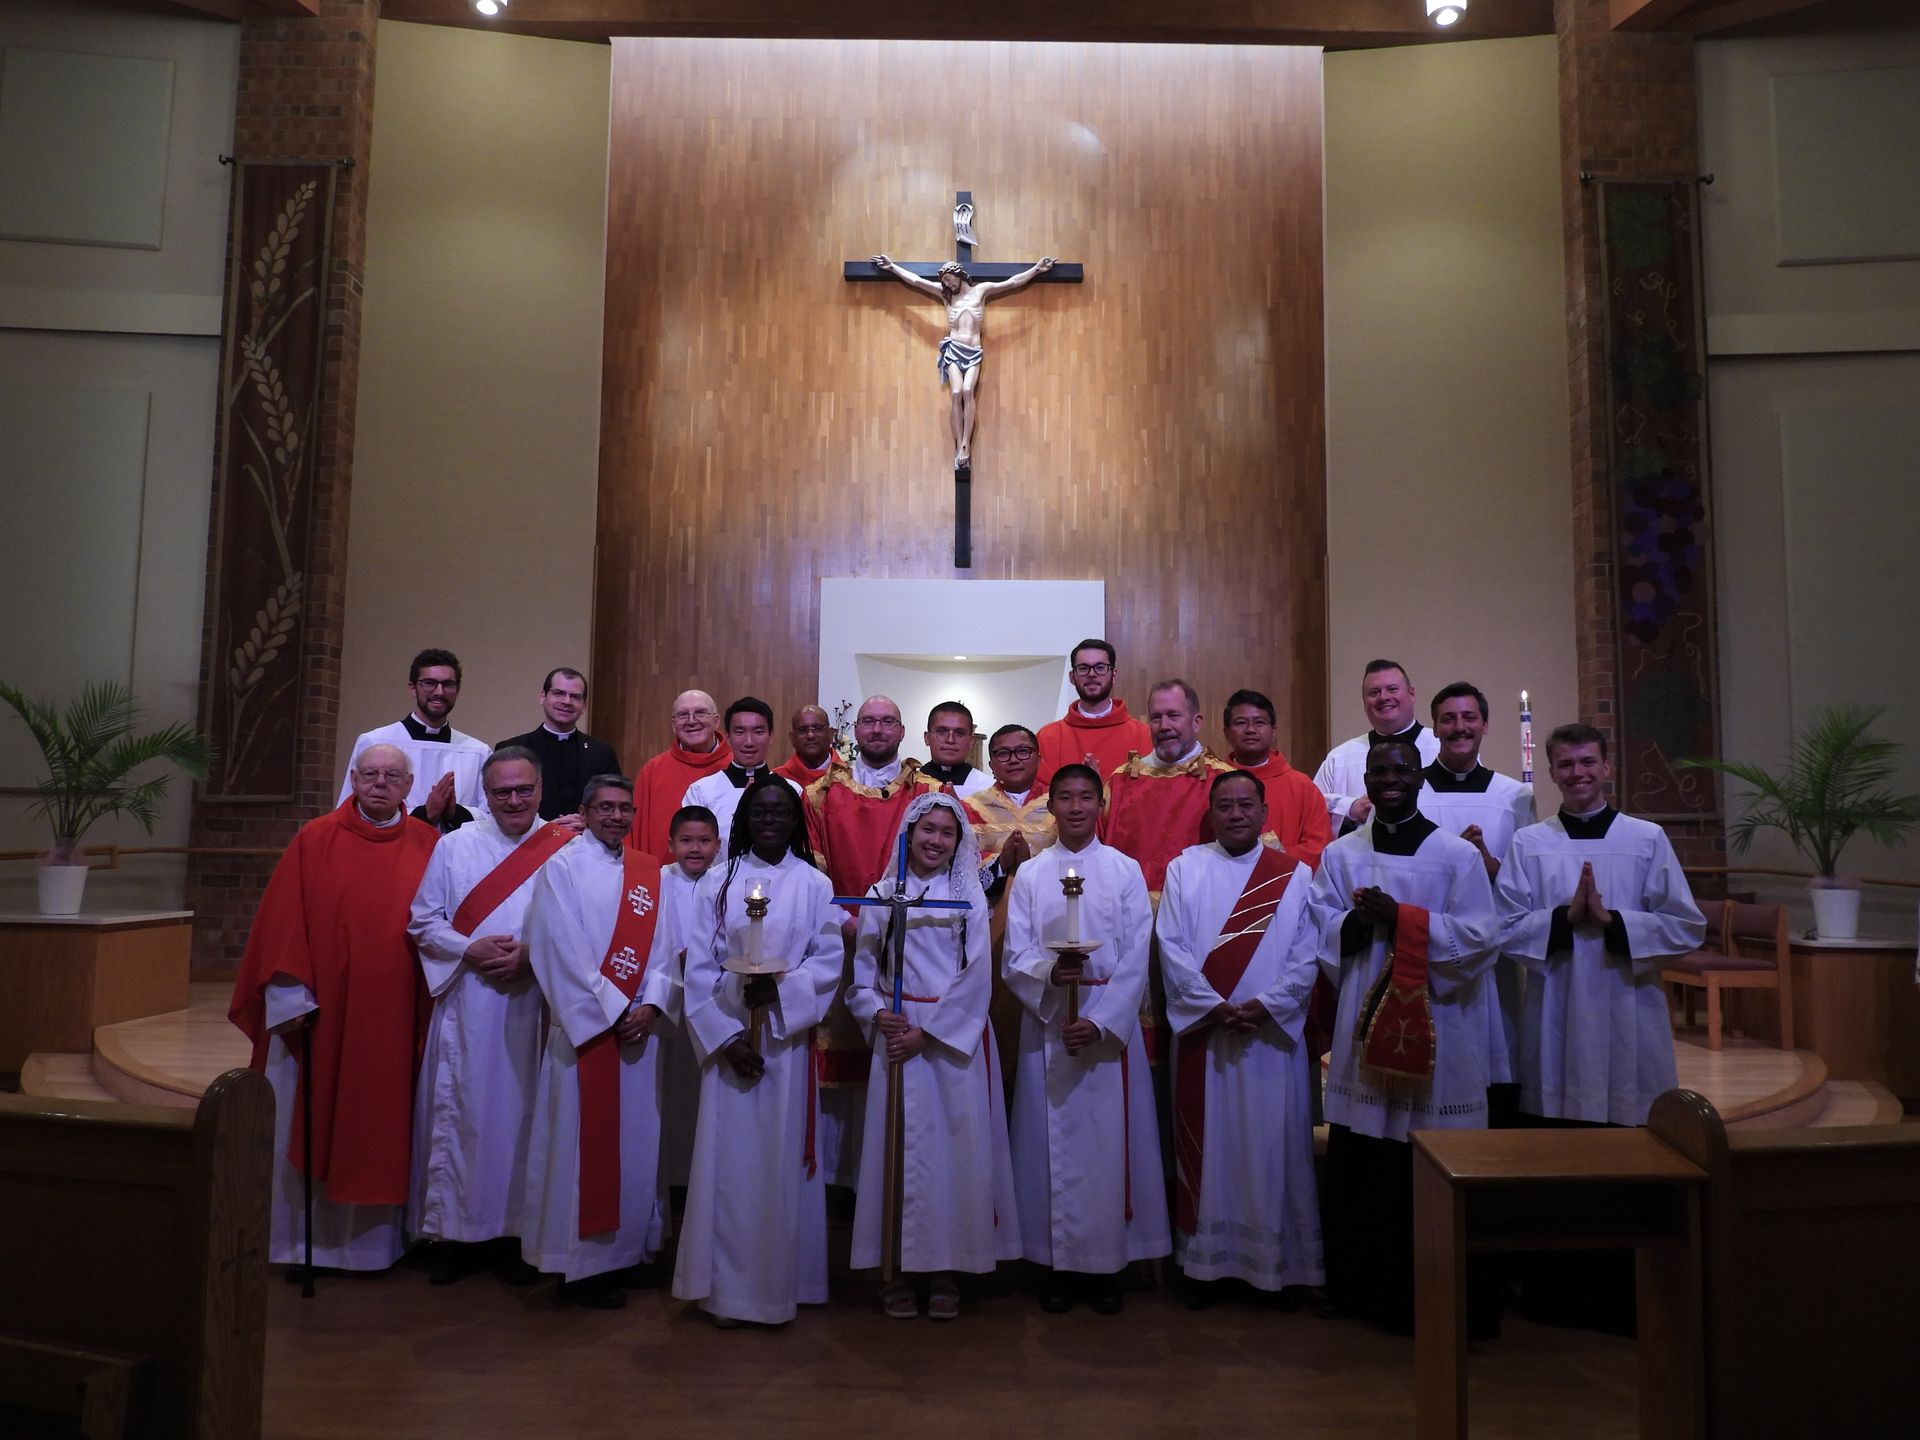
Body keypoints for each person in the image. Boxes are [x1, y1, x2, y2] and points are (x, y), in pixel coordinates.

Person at [1309, 739, 1500, 1334]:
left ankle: (1439, 1295)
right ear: (1366, 780)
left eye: (1401, 770)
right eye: (1379, 771)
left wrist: (1405, 920)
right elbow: (1319, 929)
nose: (1390, 779)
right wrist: (1356, 922)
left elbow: (1480, 940)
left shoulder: (1455, 856)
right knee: (1366, 1159)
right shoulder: (1341, 855)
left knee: (1426, 1158)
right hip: (1365, 1026)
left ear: (1420, 777)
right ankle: (1360, 1291)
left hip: (1439, 1025)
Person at [230, 742, 438, 1274]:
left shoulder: (431, 844)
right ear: (353, 778)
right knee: (313, 1113)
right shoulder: (315, 839)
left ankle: (383, 1245)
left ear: (409, 785)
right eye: (370, 774)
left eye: (391, 776)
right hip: (322, 1013)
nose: (380, 783)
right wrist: (289, 998)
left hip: (398, 1015)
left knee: (386, 1120)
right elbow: (283, 923)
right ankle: (307, 1245)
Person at [672, 775, 845, 1328]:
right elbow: (698, 964)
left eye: (779, 812)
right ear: (743, 819)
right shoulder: (717, 881)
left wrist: (782, 991)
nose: (769, 820)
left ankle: (780, 1287)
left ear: (795, 821)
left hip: (784, 1040)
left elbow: (827, 961)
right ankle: (727, 1292)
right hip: (731, 1037)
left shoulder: (815, 884)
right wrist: (723, 1037)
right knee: (729, 1166)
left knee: (780, 1162)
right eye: (759, 811)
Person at [847, 793, 1020, 1319]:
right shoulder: (884, 893)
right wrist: (877, 1012)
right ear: (909, 833)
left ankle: (948, 1267)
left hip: (948, 1041)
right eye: (928, 830)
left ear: (959, 841)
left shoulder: (968, 897)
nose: (936, 840)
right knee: (897, 1152)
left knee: (952, 1156)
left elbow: (976, 976)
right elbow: (863, 972)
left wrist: (932, 1033)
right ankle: (895, 1268)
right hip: (898, 1034)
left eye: (947, 832)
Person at [406, 746, 574, 1287]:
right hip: (470, 1004)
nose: (514, 801)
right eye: (502, 792)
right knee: (466, 1117)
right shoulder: (454, 846)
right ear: (485, 794)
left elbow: (585, 928)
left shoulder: (568, 848)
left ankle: (519, 1235)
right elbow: (423, 920)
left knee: (531, 1119)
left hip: (540, 1006)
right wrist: (468, 948)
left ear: (541, 789)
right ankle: (455, 1235)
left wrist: (533, 955)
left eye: (524, 790)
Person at [1003, 764, 1168, 1314]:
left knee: (1107, 1146)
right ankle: (1055, 1264)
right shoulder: (1032, 875)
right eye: (1065, 798)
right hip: (1050, 1024)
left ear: (1101, 804)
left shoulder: (1123, 869)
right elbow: (1016, 955)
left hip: (1106, 1029)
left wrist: (1100, 1021)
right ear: (1051, 805)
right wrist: (1051, 977)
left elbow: (1137, 953)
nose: (1075, 807)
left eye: (1086, 797)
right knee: (1048, 1149)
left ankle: (1106, 1266)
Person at [1156, 770, 1322, 1308]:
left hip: (1270, 1040)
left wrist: (1269, 1006)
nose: (1235, 814)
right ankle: (1205, 1266)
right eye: (1224, 805)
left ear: (1264, 812)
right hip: (1207, 1037)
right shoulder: (1185, 868)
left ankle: (1277, 1268)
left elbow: (1307, 952)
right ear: (1212, 814)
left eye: (1245, 804)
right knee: (1210, 1150)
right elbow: (1171, 946)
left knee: (1274, 1148)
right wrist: (1212, 1006)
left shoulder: (1293, 874)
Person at [519, 774, 678, 1308]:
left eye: (624, 808)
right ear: (584, 812)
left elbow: (667, 949)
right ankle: (581, 1266)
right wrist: (614, 1009)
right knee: (580, 1148)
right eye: (605, 807)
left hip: (638, 1037)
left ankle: (627, 1253)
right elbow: (556, 948)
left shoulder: (648, 872)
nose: (615, 816)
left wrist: (652, 1004)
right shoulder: (560, 867)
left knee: (636, 1145)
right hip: (586, 1035)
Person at [1499, 724, 1706, 1127]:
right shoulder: (1528, 843)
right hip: (1557, 1002)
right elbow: (1504, 926)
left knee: (1631, 1130)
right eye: (1566, 764)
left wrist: (1615, 923)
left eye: (1588, 761)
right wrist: (1564, 918)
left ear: (1606, 767)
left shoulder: (1646, 839)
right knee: (1557, 1131)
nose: (1577, 772)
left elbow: (1685, 924)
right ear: (1552, 772)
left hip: (1629, 1001)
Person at [803, 693, 943, 1185]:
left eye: (887, 722)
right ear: (855, 730)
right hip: (841, 938)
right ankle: (841, 1178)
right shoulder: (820, 794)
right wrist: (846, 922)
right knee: (842, 1060)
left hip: (913, 943)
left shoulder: (927, 790)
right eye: (868, 721)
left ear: (902, 731)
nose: (878, 730)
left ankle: (897, 1172)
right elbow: (813, 869)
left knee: (897, 1051)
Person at [1419, 681, 1537, 1125]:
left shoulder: (1514, 796)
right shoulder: (1409, 790)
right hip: (1428, 943)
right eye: (1448, 719)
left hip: (1491, 948)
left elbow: (1527, 880)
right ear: (1434, 728)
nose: (1459, 727)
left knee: (1493, 1045)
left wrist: (1491, 867)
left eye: (1469, 717)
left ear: (1485, 725)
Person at [868, 251, 1055, 468]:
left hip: (974, 352)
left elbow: (1012, 282)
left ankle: (966, 442)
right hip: (953, 350)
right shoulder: (946, 296)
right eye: (944, 282)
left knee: (968, 391)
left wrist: (1037, 269)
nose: (947, 284)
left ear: (958, 274)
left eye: (949, 279)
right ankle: (959, 447)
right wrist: (892, 267)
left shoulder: (980, 291)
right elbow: (917, 281)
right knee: (956, 393)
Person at [1099, 679, 1234, 898]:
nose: (1164, 726)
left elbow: (1253, 858)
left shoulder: (1225, 782)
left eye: (1174, 715)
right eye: (1156, 717)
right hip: (1127, 911)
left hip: (1199, 909)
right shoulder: (1120, 781)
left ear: (1196, 722)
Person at [338, 647, 491, 833]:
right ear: (413, 688)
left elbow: (492, 817)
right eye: (429, 683)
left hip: (457, 850)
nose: (439, 692)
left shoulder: (477, 751)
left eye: (448, 684)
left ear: (457, 690)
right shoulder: (374, 742)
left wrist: (455, 813)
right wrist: (425, 813)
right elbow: (351, 811)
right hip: (392, 847)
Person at [658, 804, 722, 1190]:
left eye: (703, 841)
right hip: (668, 996)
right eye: (686, 841)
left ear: (718, 844)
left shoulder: (727, 881)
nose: (695, 849)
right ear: (670, 844)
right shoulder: (657, 881)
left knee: (705, 1090)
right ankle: (671, 1178)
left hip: (714, 998)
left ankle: (703, 1180)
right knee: (672, 1089)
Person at [1312, 659, 1441, 833]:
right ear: (1364, 703)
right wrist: (1350, 807)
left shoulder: (1442, 749)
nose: (1384, 697)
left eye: (1392, 689)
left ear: (1411, 694)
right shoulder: (1339, 758)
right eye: (1374, 692)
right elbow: (1309, 807)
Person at [1223, 687, 1333, 866]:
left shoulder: (1301, 786)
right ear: (1226, 733)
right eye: (1241, 723)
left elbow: (1319, 848)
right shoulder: (1213, 783)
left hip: (1287, 880)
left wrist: (1267, 863)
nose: (1250, 729)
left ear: (1273, 731)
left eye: (1259, 722)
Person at [497, 667, 620, 821]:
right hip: (530, 835)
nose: (567, 701)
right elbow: (500, 806)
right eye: (559, 693)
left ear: (584, 705)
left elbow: (614, 805)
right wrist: (547, 828)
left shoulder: (602, 753)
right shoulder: (511, 750)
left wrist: (588, 824)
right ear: (543, 697)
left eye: (575, 696)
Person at [629, 689, 732, 858]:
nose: (691, 721)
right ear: (673, 724)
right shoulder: (652, 771)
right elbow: (634, 832)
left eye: (700, 713)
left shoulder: (736, 767)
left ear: (716, 720)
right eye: (683, 715)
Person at [1035, 639, 1152, 786]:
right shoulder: (1047, 738)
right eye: (1083, 668)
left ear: (1113, 675)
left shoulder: (1144, 736)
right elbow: (1039, 796)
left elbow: (1150, 793)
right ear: (1072, 677)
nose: (1091, 674)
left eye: (1100, 667)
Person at [683, 697, 795, 840]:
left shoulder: (792, 790)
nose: (749, 742)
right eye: (739, 732)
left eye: (758, 732)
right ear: (728, 737)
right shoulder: (701, 791)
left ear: (771, 736)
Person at [965, 724, 1057, 897]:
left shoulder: (1058, 803)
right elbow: (962, 866)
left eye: (1022, 751)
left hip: (1049, 899)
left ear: (1038, 760)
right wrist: (1001, 862)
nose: (1013, 760)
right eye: (1003, 754)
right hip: (991, 905)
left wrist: (1031, 862)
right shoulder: (971, 807)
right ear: (991, 765)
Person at [920, 700, 992, 799]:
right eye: (941, 732)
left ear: (972, 741)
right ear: (927, 738)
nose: (950, 740)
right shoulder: (909, 784)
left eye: (960, 733)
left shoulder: (989, 788)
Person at [772, 704, 835, 788]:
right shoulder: (776, 780)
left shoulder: (849, 778)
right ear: (792, 738)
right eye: (802, 730)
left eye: (817, 728)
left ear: (831, 734)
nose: (810, 735)